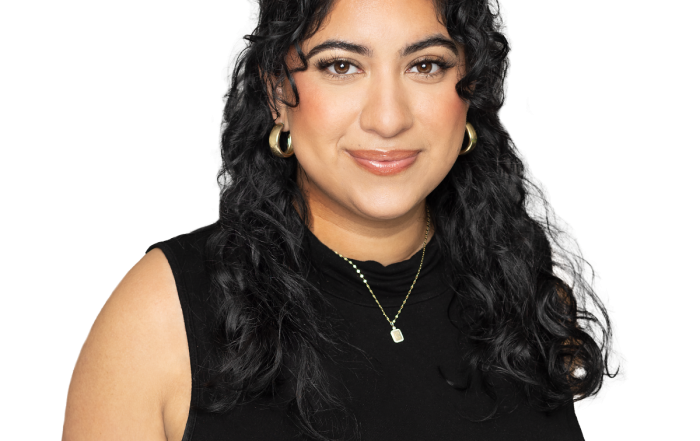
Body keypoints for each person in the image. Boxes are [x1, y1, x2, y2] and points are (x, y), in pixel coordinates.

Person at [62, 0, 627, 440]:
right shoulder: (160, 312)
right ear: (278, 94)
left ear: (470, 89)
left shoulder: (529, 285)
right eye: (341, 66)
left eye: (425, 65)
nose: (388, 118)